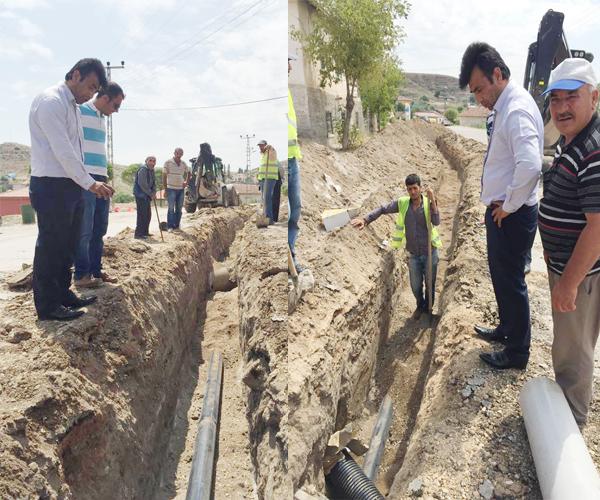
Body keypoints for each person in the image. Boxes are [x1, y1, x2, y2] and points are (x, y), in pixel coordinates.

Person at [459, 42, 543, 370]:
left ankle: (517, 352)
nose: (478, 98)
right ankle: (507, 330)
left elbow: (531, 164)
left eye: (480, 89)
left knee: (511, 281)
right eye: (473, 93)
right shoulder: (505, 107)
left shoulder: (516, 109)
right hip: (504, 211)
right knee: (501, 276)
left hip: (513, 214)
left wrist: (507, 206)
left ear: (497, 74)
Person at [539, 58, 600, 425]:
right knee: (572, 347)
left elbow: (597, 228)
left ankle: (571, 427)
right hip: (573, 272)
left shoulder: (593, 151)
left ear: (595, 97)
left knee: (572, 354)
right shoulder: (571, 141)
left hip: (581, 277)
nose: (561, 107)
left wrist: (568, 284)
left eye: (570, 98)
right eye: (555, 99)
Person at [28, 58, 113, 321]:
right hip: (51, 185)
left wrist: (82, 182)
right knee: (51, 246)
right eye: (90, 86)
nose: (90, 94)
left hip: (69, 185)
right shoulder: (51, 102)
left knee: (67, 245)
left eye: (95, 90)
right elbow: (63, 151)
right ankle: (47, 306)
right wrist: (90, 182)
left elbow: (76, 151)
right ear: (75, 75)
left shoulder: (72, 107)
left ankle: (63, 294)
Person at [351, 174, 441, 319]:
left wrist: (433, 202)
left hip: (430, 252)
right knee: (415, 285)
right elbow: (383, 209)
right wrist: (366, 219)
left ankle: (428, 310)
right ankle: (420, 305)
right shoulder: (403, 203)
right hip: (414, 254)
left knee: (430, 283)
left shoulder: (429, 202)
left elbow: (436, 222)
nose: (412, 192)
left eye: (415, 188)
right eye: (409, 189)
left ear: (420, 188)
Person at [74, 82, 125, 288]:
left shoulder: (102, 119)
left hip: (100, 177)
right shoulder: (79, 111)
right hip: (85, 178)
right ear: (105, 98)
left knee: (99, 228)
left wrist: (104, 177)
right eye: (116, 105)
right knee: (84, 229)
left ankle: (95, 271)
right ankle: (81, 275)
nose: (116, 111)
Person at [288, 54, 304, 271]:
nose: (290, 66)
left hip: (292, 158)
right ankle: (288, 258)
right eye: (287, 62)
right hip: (283, 163)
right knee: (288, 210)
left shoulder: (287, 92)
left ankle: (291, 253)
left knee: (296, 208)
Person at [163, 147, 189, 231]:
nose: (179, 155)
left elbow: (189, 173)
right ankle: (170, 226)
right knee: (171, 208)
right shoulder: (168, 162)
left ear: (182, 154)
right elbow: (164, 176)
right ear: (174, 153)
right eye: (177, 153)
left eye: (181, 153)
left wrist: (186, 182)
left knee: (179, 208)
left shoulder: (183, 163)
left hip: (181, 189)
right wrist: (165, 190)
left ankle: (177, 225)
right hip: (171, 188)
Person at [133, 156, 157, 239]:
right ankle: (139, 234)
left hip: (147, 195)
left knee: (148, 214)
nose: (152, 162)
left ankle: (145, 232)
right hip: (140, 195)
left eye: (154, 161)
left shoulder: (152, 170)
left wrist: (154, 192)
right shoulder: (143, 169)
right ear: (146, 161)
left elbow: (154, 183)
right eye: (150, 160)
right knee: (142, 215)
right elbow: (142, 184)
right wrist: (151, 193)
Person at [257, 139, 279, 224]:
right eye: (259, 146)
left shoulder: (271, 152)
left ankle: (269, 219)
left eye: (262, 145)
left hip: (269, 178)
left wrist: (271, 148)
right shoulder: (263, 155)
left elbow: (273, 155)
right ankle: (265, 217)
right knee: (264, 199)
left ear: (266, 145)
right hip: (263, 179)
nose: (260, 147)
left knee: (267, 198)